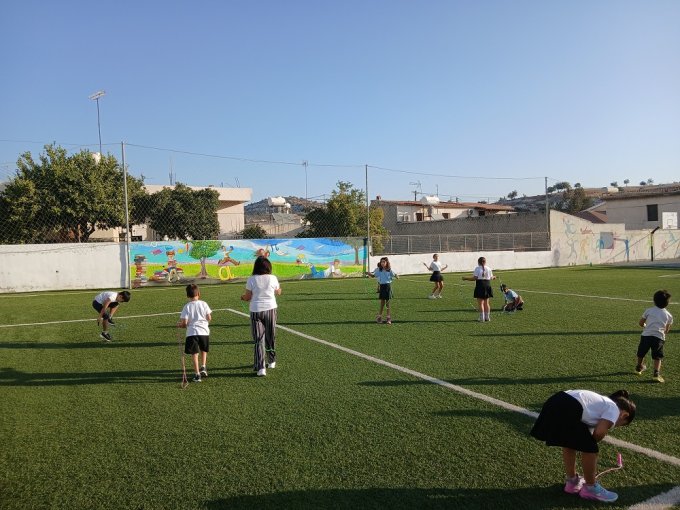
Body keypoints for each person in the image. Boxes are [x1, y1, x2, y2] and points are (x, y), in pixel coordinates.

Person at [530, 389, 636, 503]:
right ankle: (590, 488)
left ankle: (572, 482)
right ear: (624, 415)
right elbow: (599, 432)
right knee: (591, 449)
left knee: (569, 443)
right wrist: (592, 445)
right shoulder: (614, 408)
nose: (613, 425)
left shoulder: (598, 406)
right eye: (619, 425)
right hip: (569, 407)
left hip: (555, 401)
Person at [241, 256, 281, 377]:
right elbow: (278, 291)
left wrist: (243, 297)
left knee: (258, 340)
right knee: (270, 336)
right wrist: (278, 290)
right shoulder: (273, 278)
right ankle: (271, 360)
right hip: (270, 310)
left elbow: (248, 297)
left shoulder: (251, 279)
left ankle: (261, 368)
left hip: (256, 311)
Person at [635, 289, 673, 383]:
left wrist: (645, 326)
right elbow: (666, 330)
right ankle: (656, 374)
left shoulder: (649, 311)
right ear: (667, 303)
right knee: (657, 356)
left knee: (641, 352)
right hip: (659, 338)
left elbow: (641, 323)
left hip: (646, 336)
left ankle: (638, 368)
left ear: (654, 301)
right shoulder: (669, 315)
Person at [178, 284, 212, 383]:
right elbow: (209, 317)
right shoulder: (204, 303)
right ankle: (203, 367)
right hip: (204, 331)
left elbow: (184, 323)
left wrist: (181, 325)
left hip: (192, 333)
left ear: (187, 295)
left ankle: (197, 374)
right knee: (203, 350)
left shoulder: (187, 306)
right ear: (199, 294)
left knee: (194, 354)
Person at [462, 256, 496, 322]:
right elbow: (491, 277)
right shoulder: (489, 268)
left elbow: (475, 278)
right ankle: (487, 317)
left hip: (480, 285)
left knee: (481, 303)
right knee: (487, 303)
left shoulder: (477, 268)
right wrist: (494, 277)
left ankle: (482, 318)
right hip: (487, 285)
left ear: (478, 262)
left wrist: (465, 278)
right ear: (485, 262)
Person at [367, 257, 398, 325]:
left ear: (387, 263)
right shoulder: (379, 270)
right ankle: (379, 317)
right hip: (382, 287)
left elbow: (394, 274)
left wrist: (397, 276)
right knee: (382, 303)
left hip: (388, 286)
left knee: (388, 303)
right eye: (381, 262)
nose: (382, 263)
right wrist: (369, 274)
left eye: (384, 262)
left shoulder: (389, 270)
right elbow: (373, 275)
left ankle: (388, 318)